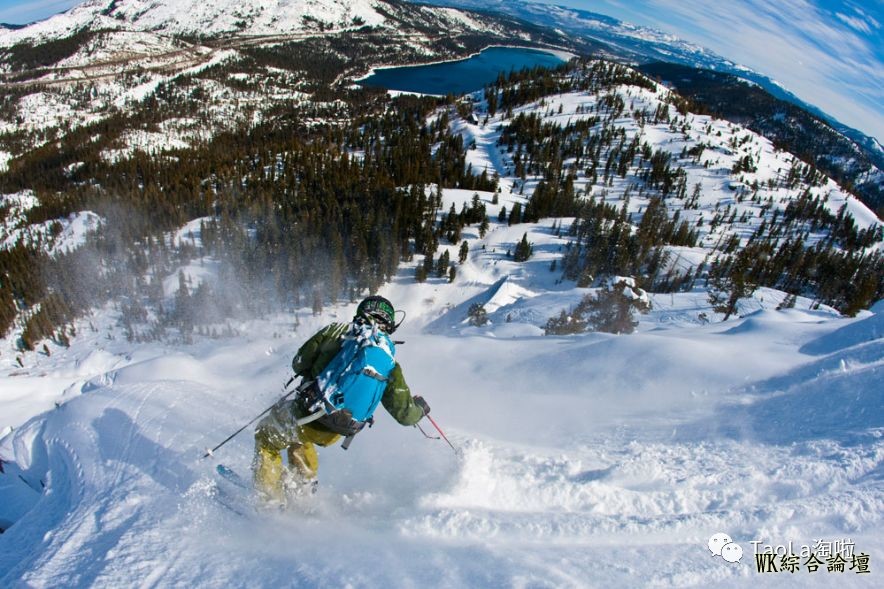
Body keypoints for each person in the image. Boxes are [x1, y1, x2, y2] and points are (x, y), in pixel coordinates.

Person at [252, 295, 430, 504]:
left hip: (308, 412)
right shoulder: (390, 362)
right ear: (390, 324)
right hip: (340, 429)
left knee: (266, 437)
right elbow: (405, 415)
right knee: (301, 437)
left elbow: (298, 363)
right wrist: (421, 408)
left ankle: (269, 502)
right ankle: (303, 493)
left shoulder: (336, 332)